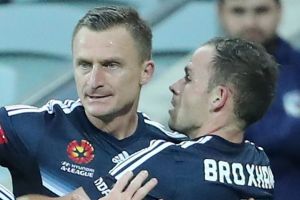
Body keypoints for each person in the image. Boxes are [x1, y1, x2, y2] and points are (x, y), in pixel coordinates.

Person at [0, 5, 184, 200]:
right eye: (85, 65)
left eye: (111, 65)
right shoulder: (30, 127)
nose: (94, 81)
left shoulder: (173, 153)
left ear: (145, 72)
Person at [97, 37, 277, 199]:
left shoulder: (172, 161)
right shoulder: (259, 163)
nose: (175, 86)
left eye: (188, 78)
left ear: (218, 97)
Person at [218, 0, 300, 199]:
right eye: (238, 11)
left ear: (279, 11)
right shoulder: (199, 77)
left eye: (261, 10)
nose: (250, 22)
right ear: (220, 13)